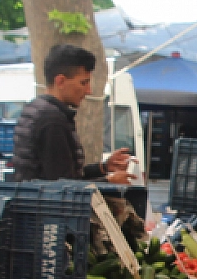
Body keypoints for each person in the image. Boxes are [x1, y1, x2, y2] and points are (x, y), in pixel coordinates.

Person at [12, 43, 133, 184]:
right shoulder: (52, 120)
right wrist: (108, 182)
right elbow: (63, 187)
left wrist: (103, 167)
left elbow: (66, 174)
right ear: (61, 81)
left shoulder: (35, 109)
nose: (88, 91)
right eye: (83, 83)